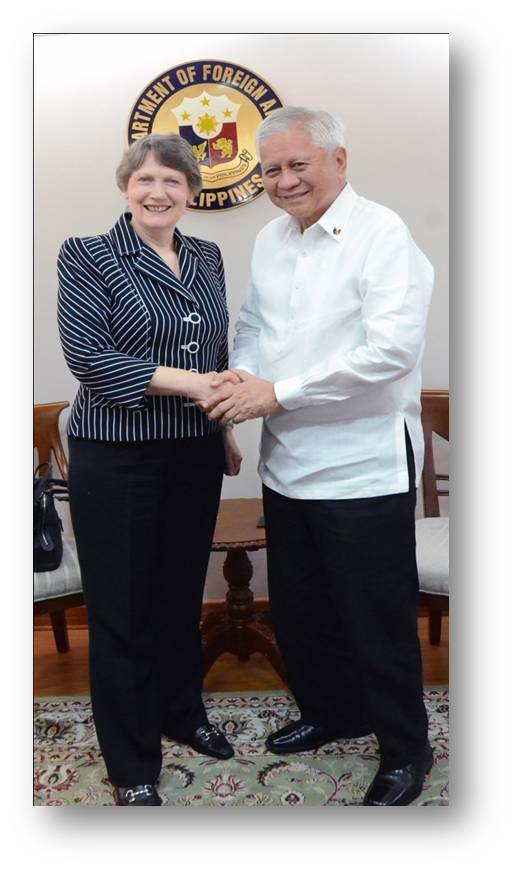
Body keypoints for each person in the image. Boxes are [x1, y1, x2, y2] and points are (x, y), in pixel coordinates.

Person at [201, 107, 435, 806]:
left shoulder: (383, 233)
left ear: (339, 160)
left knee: (377, 617)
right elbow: (254, 327)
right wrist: (243, 382)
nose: (284, 180)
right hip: (288, 462)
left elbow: (390, 351)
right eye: (271, 168)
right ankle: (335, 711)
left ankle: (405, 749)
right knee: (303, 611)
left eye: (298, 164)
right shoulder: (272, 239)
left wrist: (278, 392)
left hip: (363, 464)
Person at [57, 134, 242, 806]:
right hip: (117, 456)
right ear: (126, 185)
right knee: (122, 611)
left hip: (193, 451)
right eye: (146, 179)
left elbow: (216, 346)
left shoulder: (208, 255)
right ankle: (132, 761)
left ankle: (181, 712)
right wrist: (197, 387)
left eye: (173, 180)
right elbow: (92, 360)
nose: (159, 191)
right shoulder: (87, 255)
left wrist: (219, 427)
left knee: (177, 597)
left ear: (193, 192)